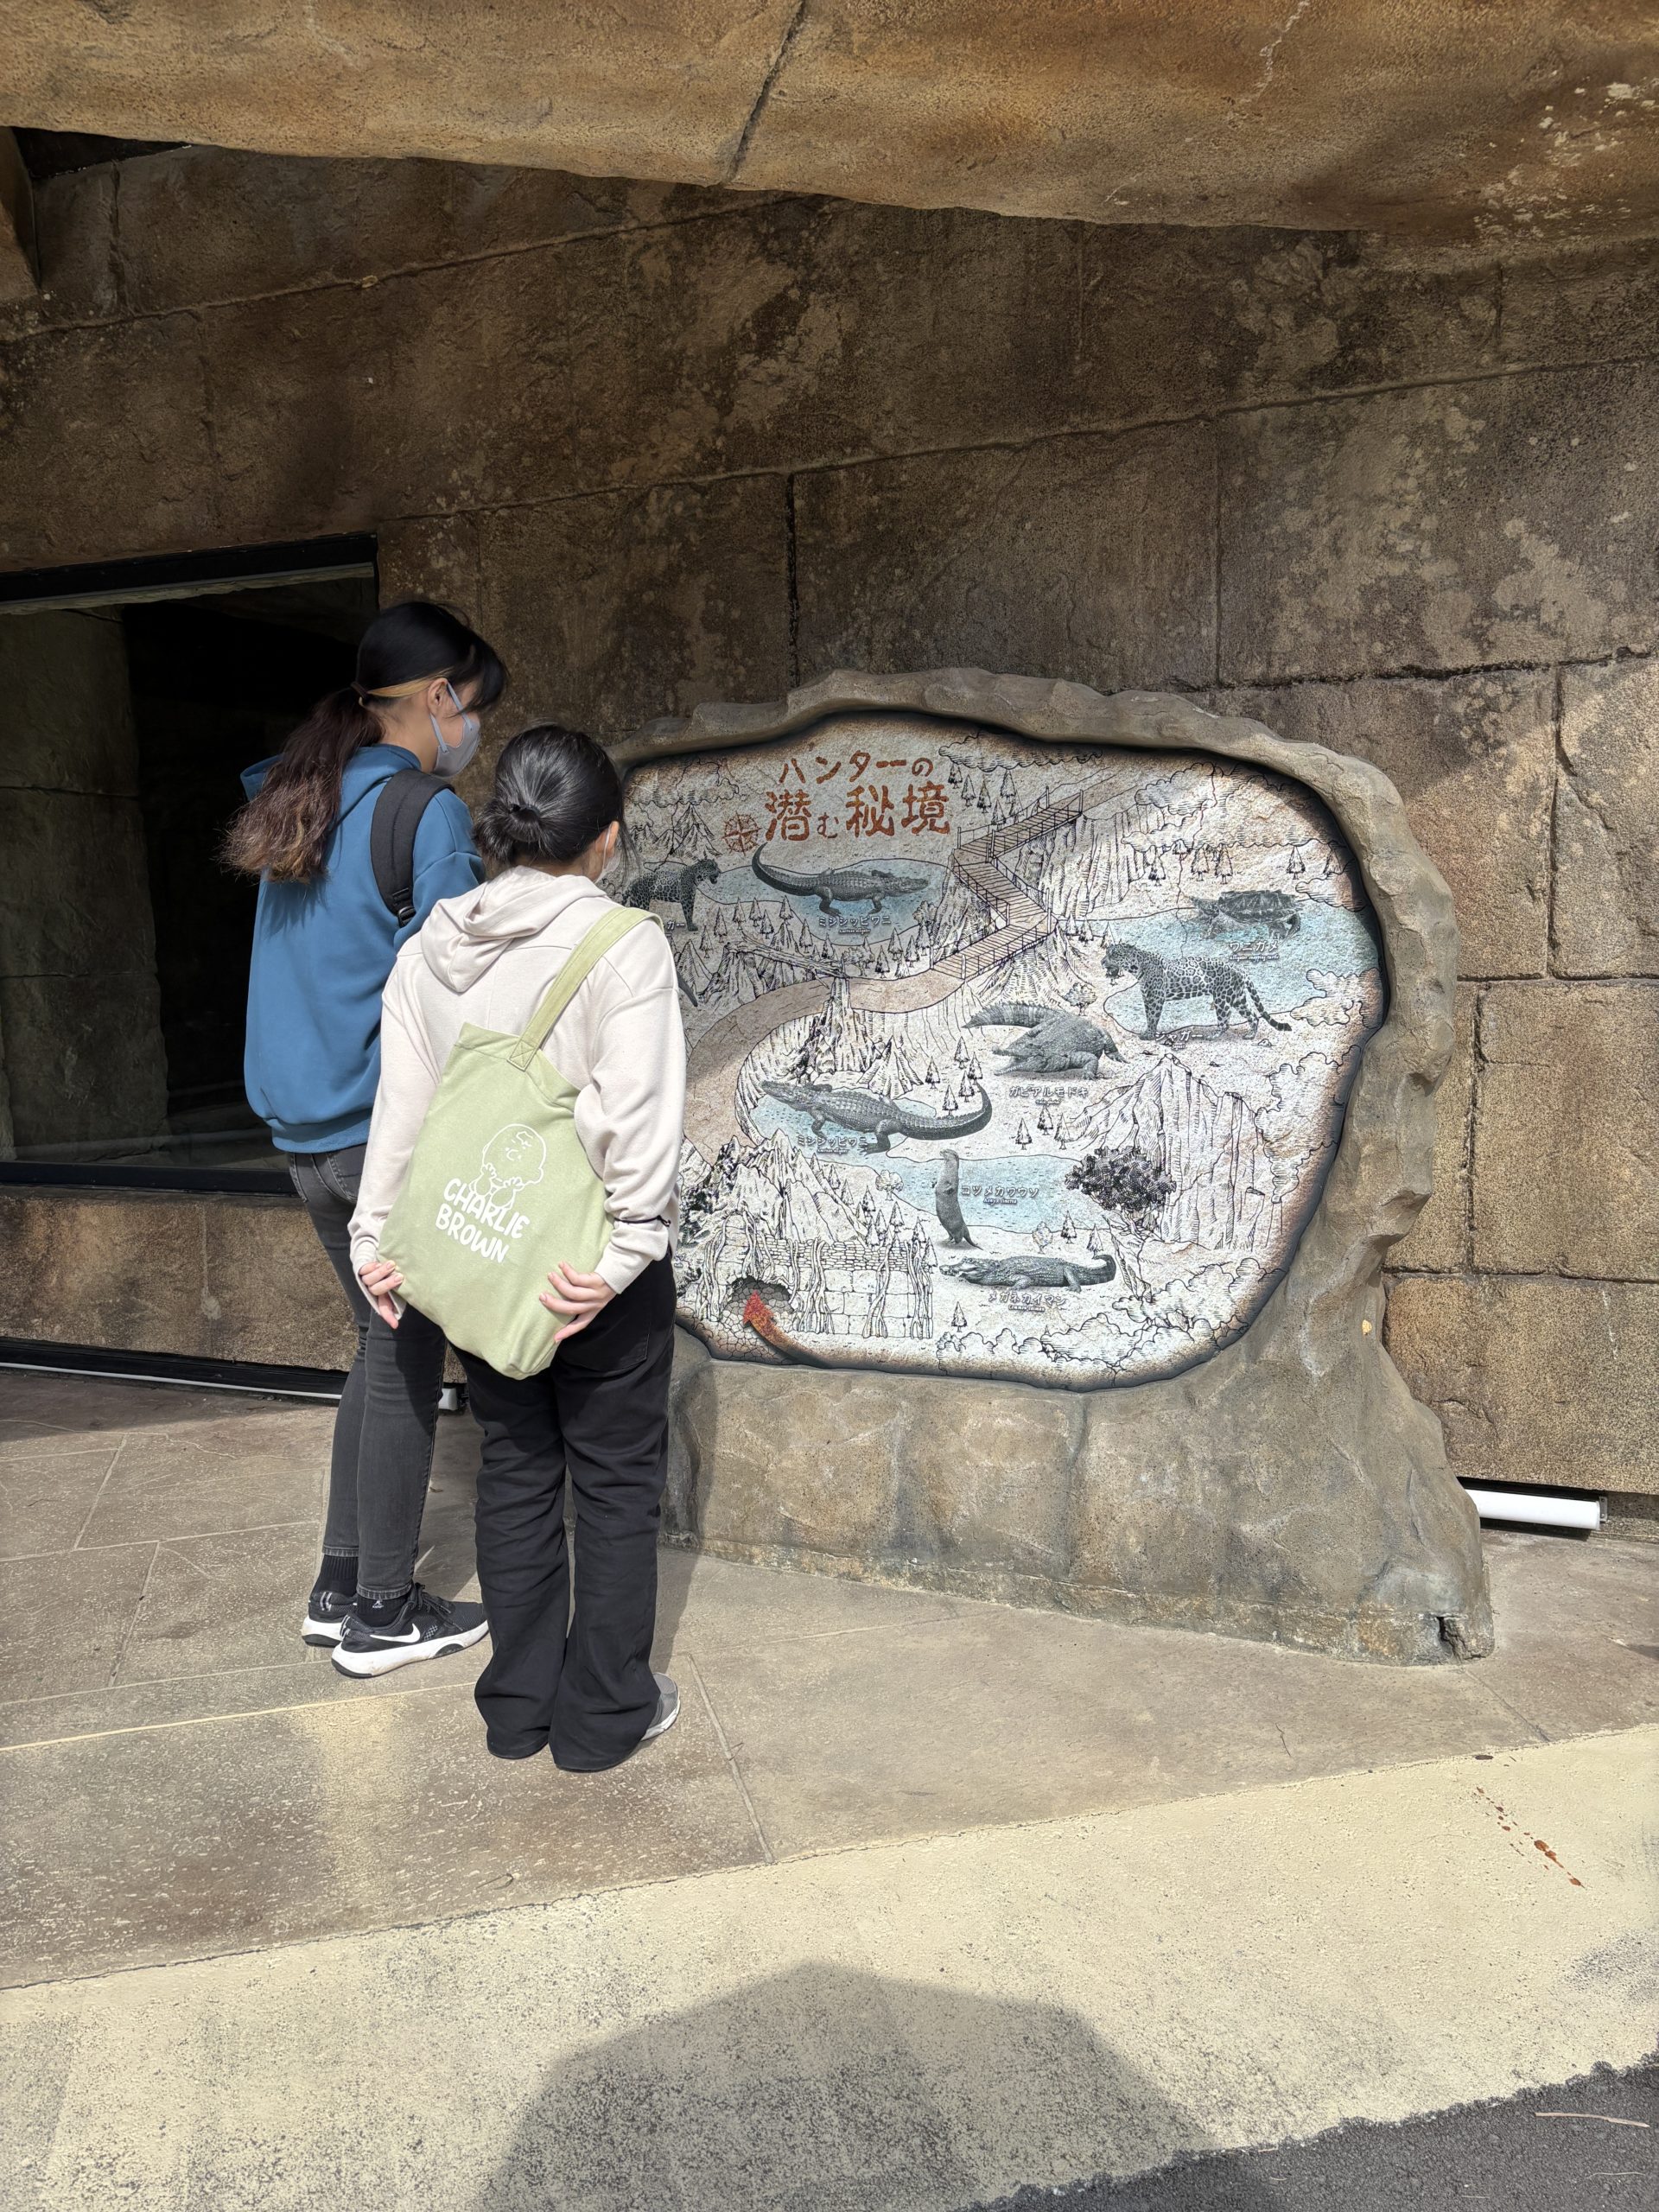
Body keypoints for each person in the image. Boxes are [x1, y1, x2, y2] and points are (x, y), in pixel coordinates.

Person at [346, 725, 686, 1769]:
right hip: (590, 1270)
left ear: (502, 827)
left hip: (480, 1260)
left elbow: (404, 1111)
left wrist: (375, 1236)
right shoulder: (624, 945)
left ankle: (518, 1707)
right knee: (615, 1483)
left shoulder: (432, 948)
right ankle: (603, 1715)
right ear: (607, 838)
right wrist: (627, 1255)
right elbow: (637, 1124)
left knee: (516, 1466)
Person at [226, 600, 506, 1669]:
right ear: (437, 696)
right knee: (405, 1362)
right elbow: (460, 990)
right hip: (380, 1139)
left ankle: (339, 1581)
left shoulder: (299, 796)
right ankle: (385, 1612)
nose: (471, 728)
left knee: (377, 1347)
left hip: (304, 1140)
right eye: (471, 705)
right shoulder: (423, 813)